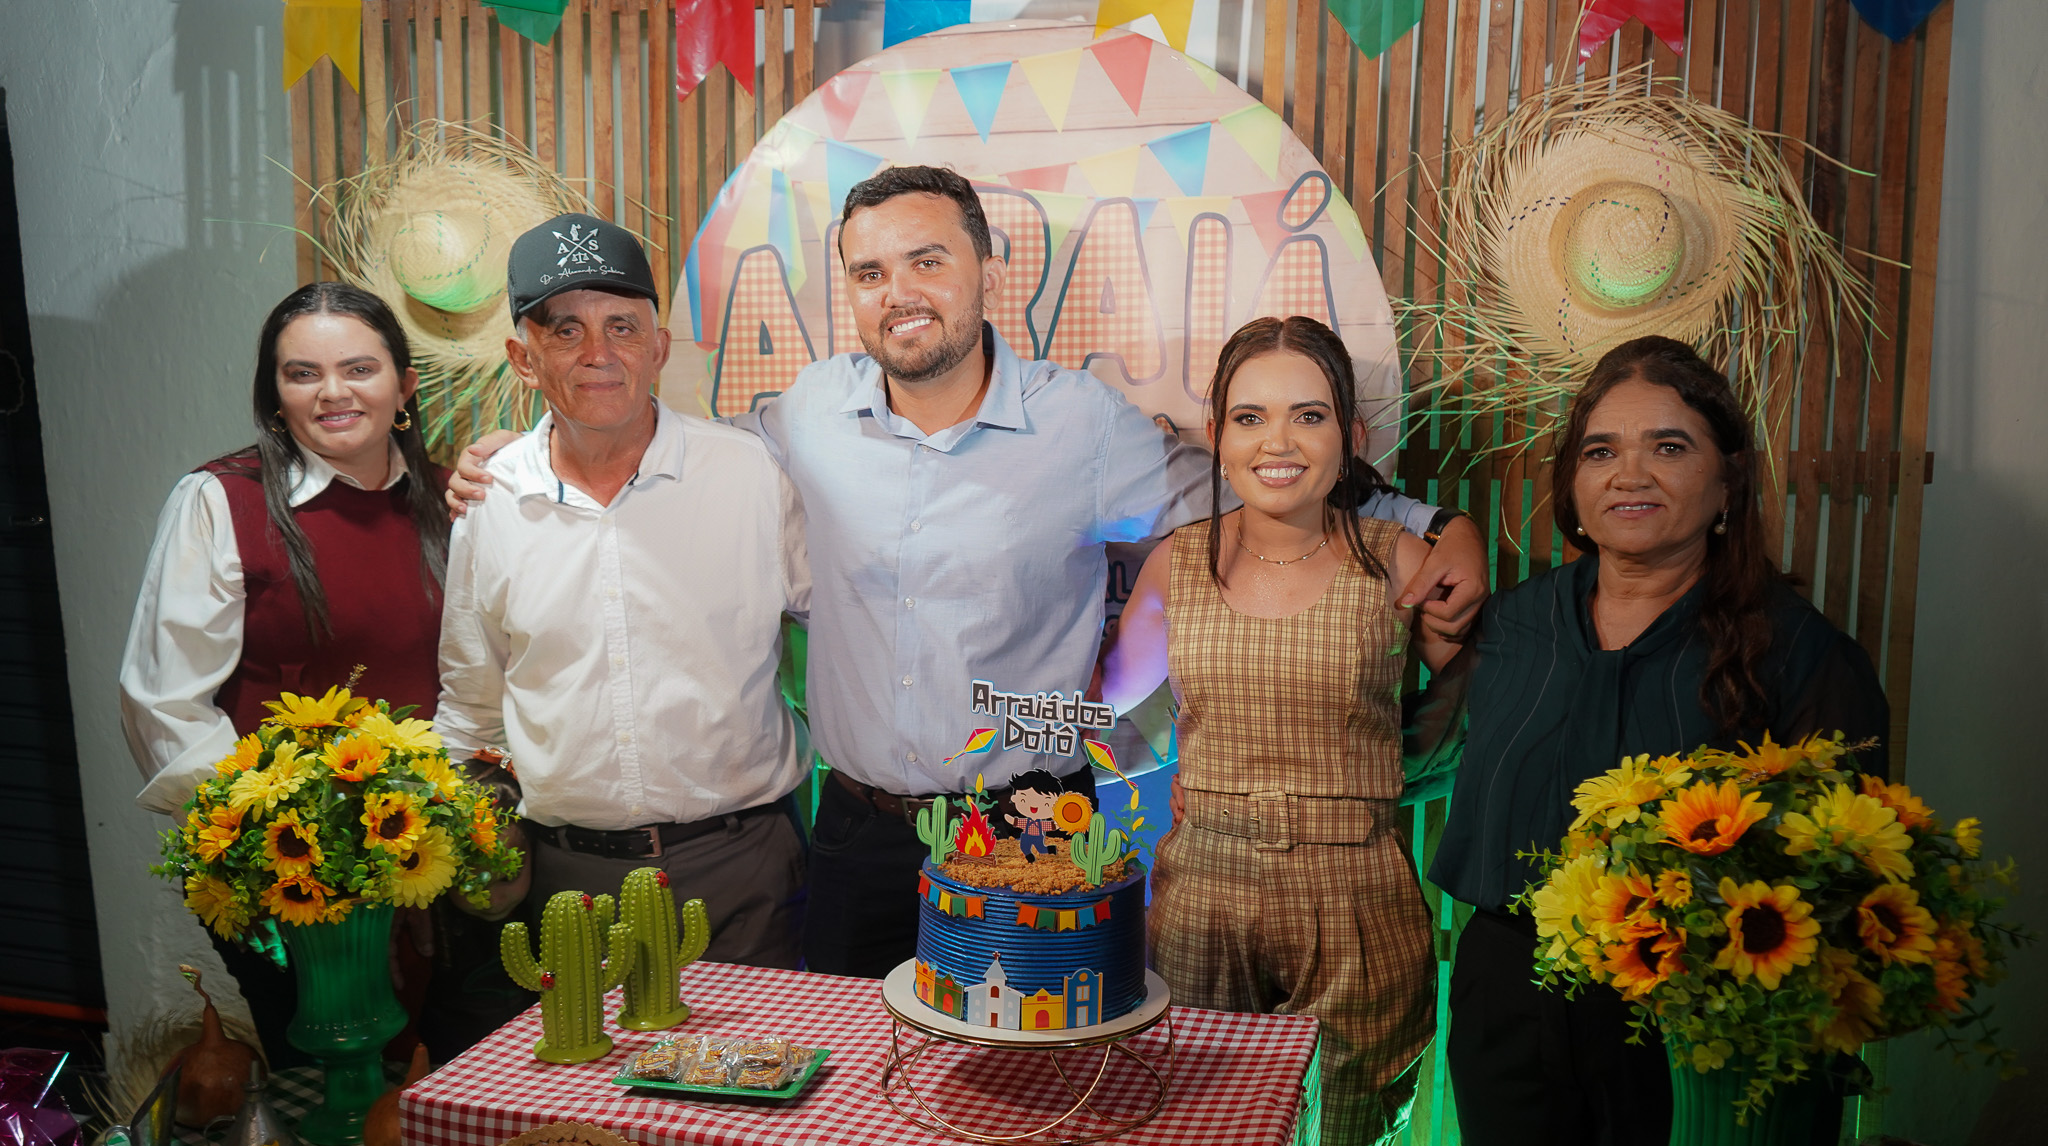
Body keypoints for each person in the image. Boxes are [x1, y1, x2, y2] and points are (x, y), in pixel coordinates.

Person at [450, 166, 1492, 979]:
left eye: (926, 261)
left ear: (989, 272)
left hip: (1031, 827)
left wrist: (1428, 522)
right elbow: (655, 448)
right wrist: (524, 454)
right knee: (850, 1114)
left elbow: (1247, 486)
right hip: (853, 833)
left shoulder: (1079, 426)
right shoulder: (806, 415)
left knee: (1030, 1102)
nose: (897, 294)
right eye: (869, 274)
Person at [1429, 335, 1890, 1146]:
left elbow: (1848, 887)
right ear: (1572, 484)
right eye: (1600, 451)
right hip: (1508, 1006)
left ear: (1728, 483)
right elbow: (1409, 756)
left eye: (1669, 447)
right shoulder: (1511, 626)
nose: (1629, 474)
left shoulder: (1799, 654)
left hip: (1698, 1022)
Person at [1101, 314, 1460, 1146]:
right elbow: (1114, 717)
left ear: (1352, 435)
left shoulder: (1399, 560)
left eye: (1309, 414)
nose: (1279, 441)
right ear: (1217, 436)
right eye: (1251, 416)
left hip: (1358, 898)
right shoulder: (1177, 562)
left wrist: (1379, 785)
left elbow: (1465, 717)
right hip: (1200, 895)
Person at [434, 212, 812, 1011]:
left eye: (622, 326)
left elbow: (847, 631)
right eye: (565, 329)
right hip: (563, 885)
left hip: (741, 870)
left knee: (755, 1086)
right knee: (585, 1091)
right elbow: (469, 708)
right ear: (523, 357)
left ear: (659, 347)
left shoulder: (749, 475)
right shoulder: (491, 502)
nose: (598, 352)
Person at [120, 281, 458, 1068]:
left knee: (440, 1084)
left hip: (430, 865)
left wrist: (426, 851)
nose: (333, 392)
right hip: (290, 879)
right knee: (325, 1082)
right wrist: (288, 865)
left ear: (405, 385)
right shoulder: (222, 502)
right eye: (303, 373)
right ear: (275, 396)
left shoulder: (452, 500)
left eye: (359, 368)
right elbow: (164, 704)